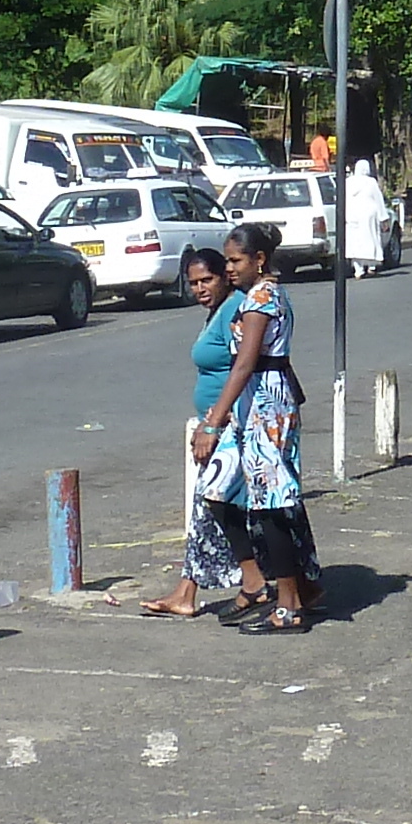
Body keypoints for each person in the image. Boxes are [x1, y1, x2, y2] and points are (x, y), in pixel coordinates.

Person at [192, 221, 318, 628]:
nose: (229, 268)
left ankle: (289, 604)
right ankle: (255, 582)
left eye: (235, 260)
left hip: (267, 406)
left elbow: (246, 362)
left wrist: (212, 422)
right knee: (217, 488)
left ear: (259, 260)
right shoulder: (250, 296)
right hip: (248, 408)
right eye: (226, 260)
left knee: (270, 505)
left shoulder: (263, 297)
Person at [143, 247, 265, 618]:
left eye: (207, 280)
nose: (199, 289)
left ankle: (257, 581)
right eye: (193, 283)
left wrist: (215, 422)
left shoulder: (236, 308)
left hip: (229, 426)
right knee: (203, 510)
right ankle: (186, 591)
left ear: (224, 276)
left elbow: (243, 366)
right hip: (214, 426)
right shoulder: (216, 312)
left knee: (214, 502)